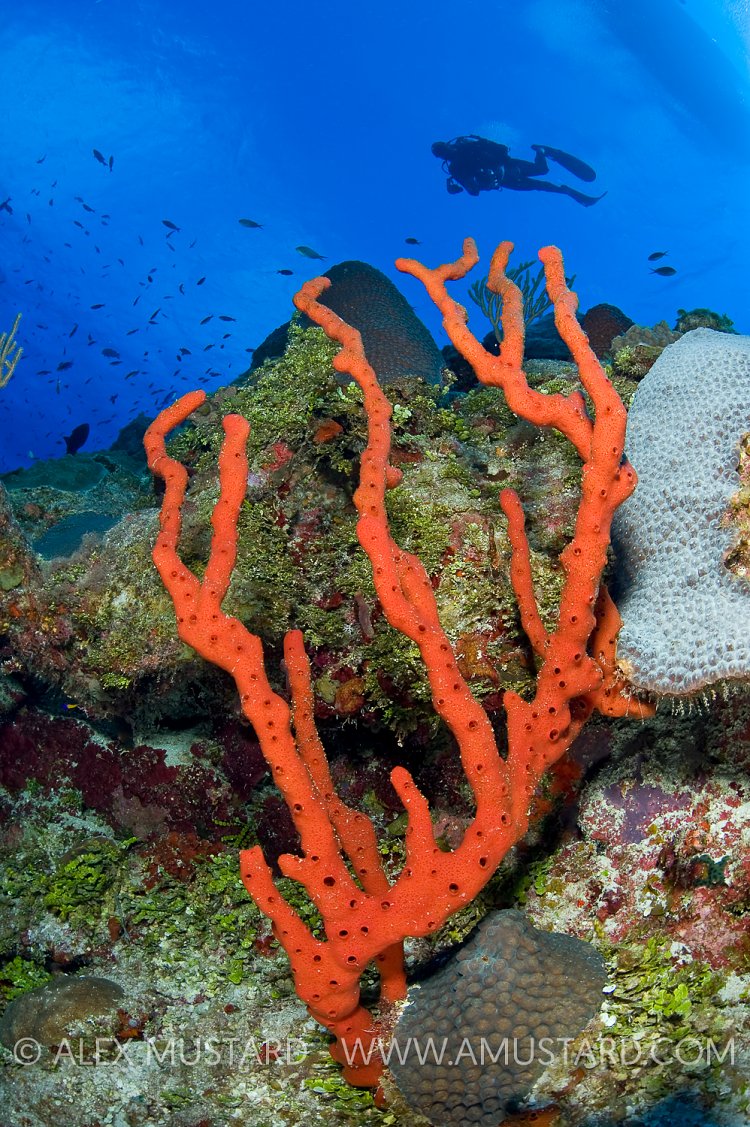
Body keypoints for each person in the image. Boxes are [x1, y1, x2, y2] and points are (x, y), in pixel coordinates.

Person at [431, 135, 606, 207]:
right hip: (505, 181)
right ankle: (567, 191)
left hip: (509, 167)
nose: (447, 153)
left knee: (542, 170)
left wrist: (496, 165)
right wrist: (457, 188)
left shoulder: (467, 145)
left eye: (444, 149)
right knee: (542, 185)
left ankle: (541, 150)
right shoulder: (455, 168)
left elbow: (499, 149)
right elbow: (473, 191)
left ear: (447, 145)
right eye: (442, 154)